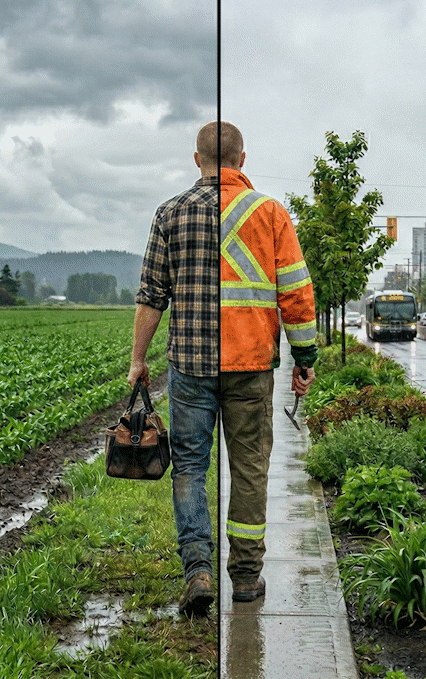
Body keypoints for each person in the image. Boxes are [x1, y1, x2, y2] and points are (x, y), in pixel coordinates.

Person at [128, 121, 317, 617]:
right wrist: (305, 358)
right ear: (243, 159)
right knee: (250, 468)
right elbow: (296, 294)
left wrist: (137, 360)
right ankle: (247, 579)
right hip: (252, 365)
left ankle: (198, 571)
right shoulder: (270, 213)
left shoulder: (170, 213)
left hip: (190, 367)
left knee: (190, 467)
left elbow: (151, 296)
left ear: (197, 161)